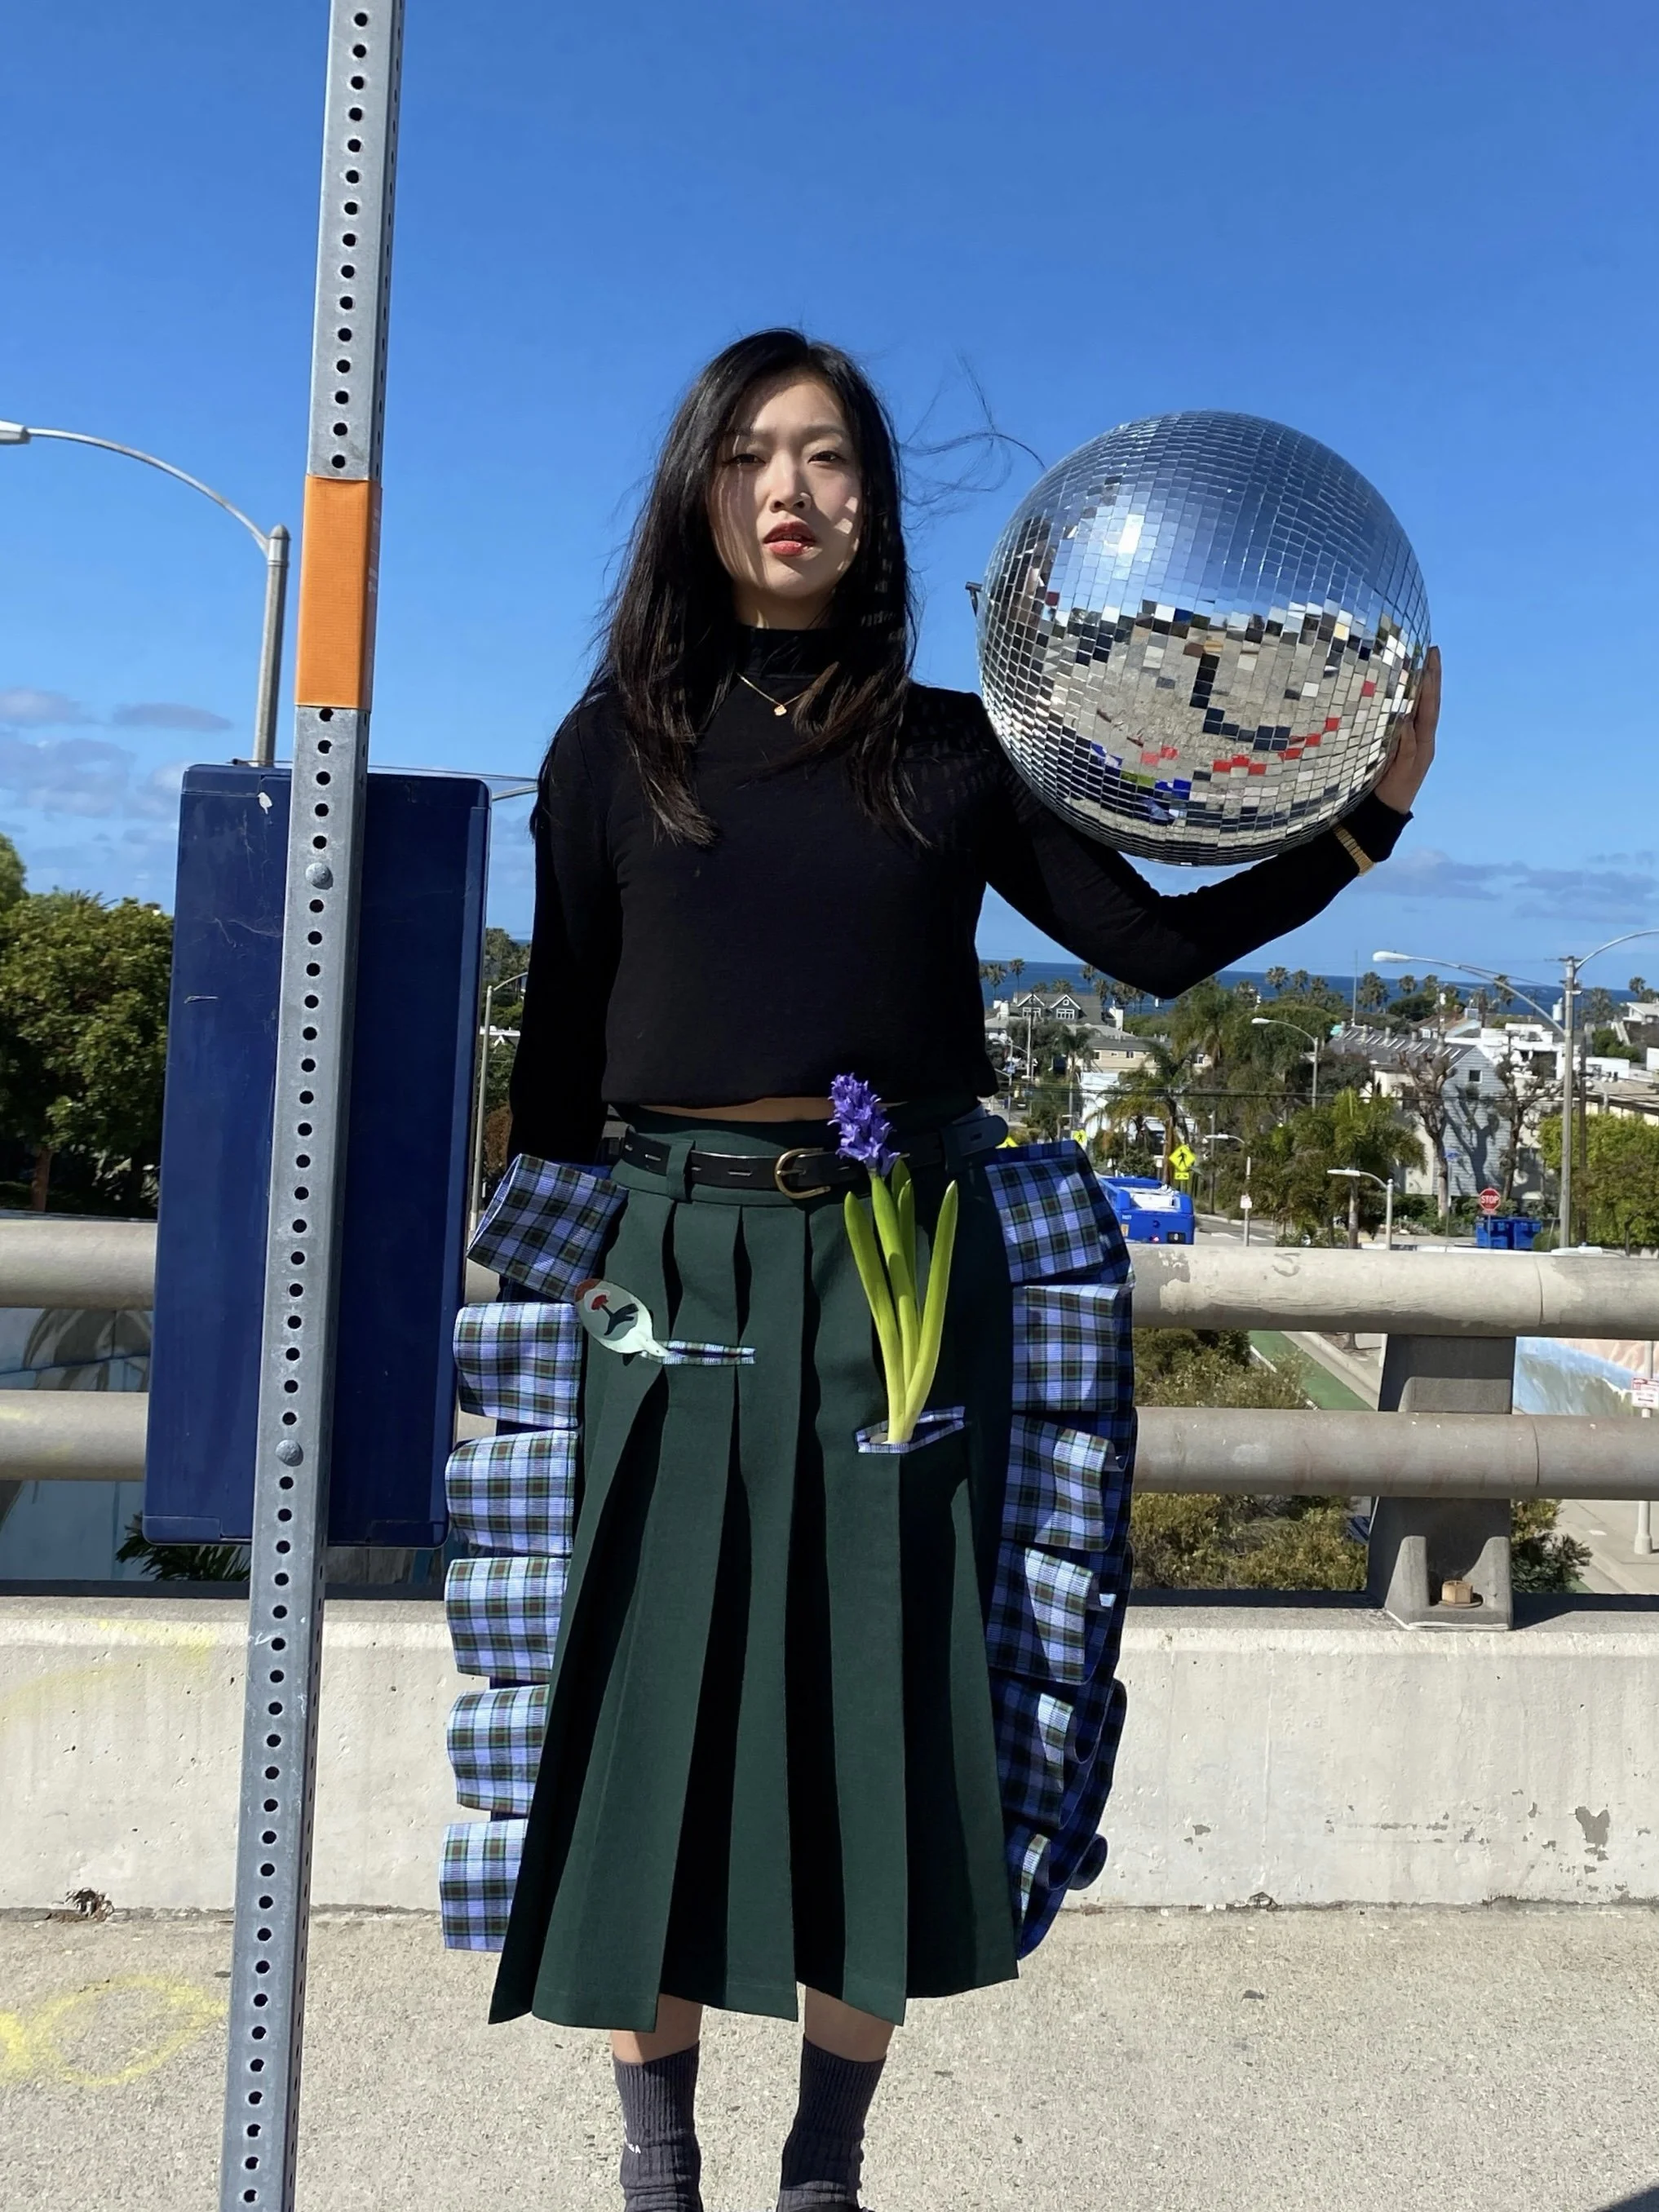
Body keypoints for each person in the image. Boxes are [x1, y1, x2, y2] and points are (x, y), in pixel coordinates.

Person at [491, 328, 1437, 2211]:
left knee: (877, 1715)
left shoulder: (949, 744)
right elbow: (562, 1056)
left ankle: (826, 2172)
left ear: (875, 504)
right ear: (698, 494)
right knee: (645, 1720)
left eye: (828, 457)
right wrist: (525, 1315)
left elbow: (1145, 953)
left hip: (899, 1277)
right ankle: (655, 2166)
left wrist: (1362, 828)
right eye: (753, 455)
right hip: (665, 1269)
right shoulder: (608, 745)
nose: (789, 490)